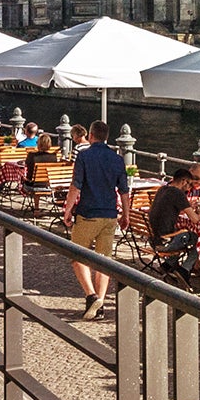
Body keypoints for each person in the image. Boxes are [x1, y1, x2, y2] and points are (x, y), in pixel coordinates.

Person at [61, 121, 130, 320]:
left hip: (88, 214)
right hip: (110, 215)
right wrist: (125, 215)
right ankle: (99, 306)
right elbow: (124, 191)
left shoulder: (84, 156)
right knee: (103, 261)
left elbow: (76, 186)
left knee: (76, 256)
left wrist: (67, 210)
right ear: (107, 137)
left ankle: (92, 297)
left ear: (91, 135)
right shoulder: (117, 159)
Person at [147, 168, 200, 285]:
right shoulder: (178, 194)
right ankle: (184, 270)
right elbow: (195, 220)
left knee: (187, 235)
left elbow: (171, 208)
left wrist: (187, 206)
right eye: (189, 184)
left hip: (153, 238)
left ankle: (168, 265)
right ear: (183, 181)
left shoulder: (163, 189)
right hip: (166, 241)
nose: (190, 188)